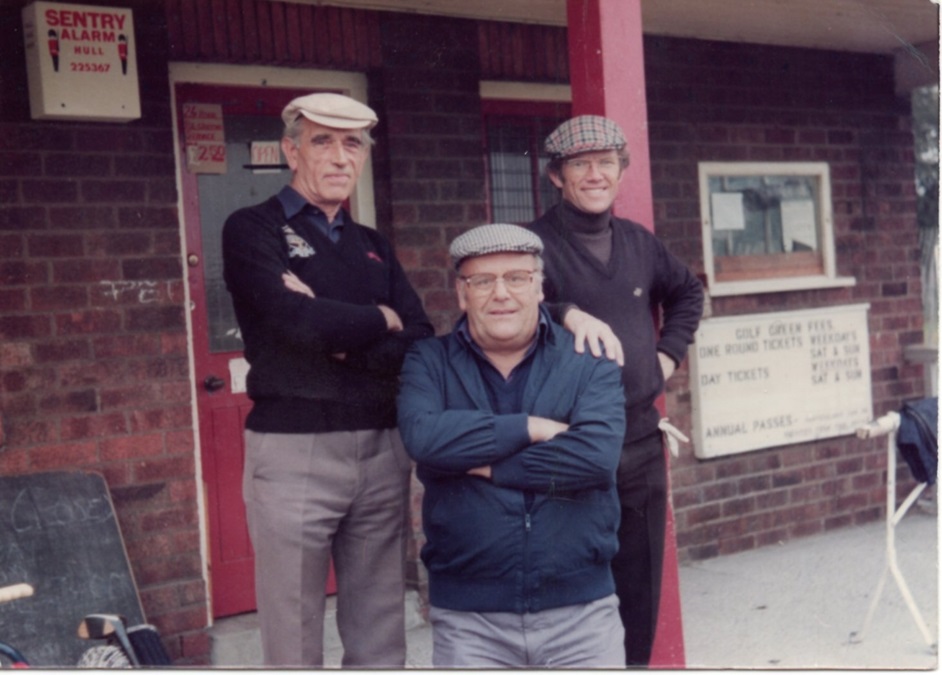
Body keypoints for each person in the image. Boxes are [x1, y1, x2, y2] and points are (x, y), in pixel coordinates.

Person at [222, 92, 434, 667]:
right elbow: (292, 324)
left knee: (380, 630)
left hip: (381, 449)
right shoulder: (252, 229)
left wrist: (342, 335)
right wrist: (377, 321)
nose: (340, 157)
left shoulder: (373, 246)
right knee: (293, 634)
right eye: (322, 141)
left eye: (352, 143)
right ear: (291, 151)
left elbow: (419, 339)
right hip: (294, 451)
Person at [397, 223, 628, 668]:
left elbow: (596, 459)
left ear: (539, 287)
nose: (501, 293)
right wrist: (532, 427)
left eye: (517, 278)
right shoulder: (429, 361)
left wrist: (488, 466)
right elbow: (424, 439)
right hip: (470, 623)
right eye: (482, 281)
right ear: (462, 294)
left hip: (582, 617)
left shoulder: (588, 358)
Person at [529, 115, 704, 667]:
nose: (595, 174)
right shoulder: (532, 244)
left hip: (639, 442)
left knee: (640, 587)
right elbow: (510, 309)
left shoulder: (638, 242)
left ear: (620, 171)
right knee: (571, 586)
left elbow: (688, 293)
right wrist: (566, 312)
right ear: (557, 176)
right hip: (567, 442)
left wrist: (665, 356)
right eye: (580, 165)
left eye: (606, 163)